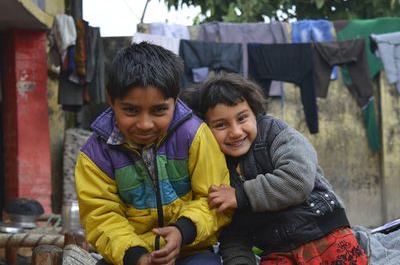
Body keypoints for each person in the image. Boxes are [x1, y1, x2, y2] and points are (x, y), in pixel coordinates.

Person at [180, 73, 368, 265]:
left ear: (255, 113)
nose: (235, 132)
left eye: (242, 118)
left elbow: (297, 180)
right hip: (277, 251)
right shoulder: (215, 167)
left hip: (324, 232)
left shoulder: (276, 133)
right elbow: (233, 233)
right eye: (221, 125)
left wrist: (241, 195)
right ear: (205, 130)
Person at [74, 42, 232, 265]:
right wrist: (136, 256)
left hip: (190, 250)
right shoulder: (96, 154)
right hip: (127, 256)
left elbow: (215, 199)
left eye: (159, 110)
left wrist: (181, 231)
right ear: (111, 100)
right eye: (131, 110)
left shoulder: (194, 135)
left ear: (175, 101)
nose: (145, 124)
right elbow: (100, 216)